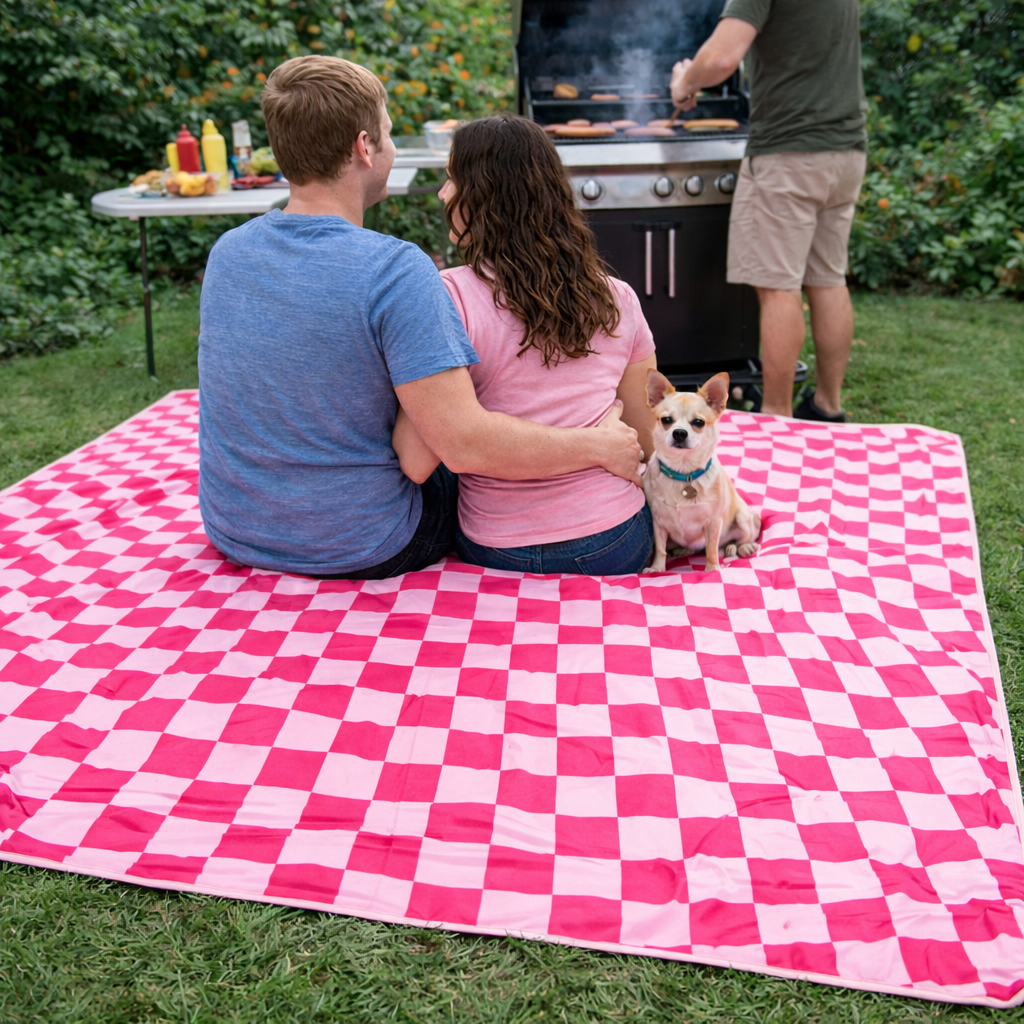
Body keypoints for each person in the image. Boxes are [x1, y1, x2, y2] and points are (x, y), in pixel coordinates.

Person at [197, 56, 642, 579]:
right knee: (452, 469)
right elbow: (462, 443)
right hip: (363, 541)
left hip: (236, 526)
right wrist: (597, 444)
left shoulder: (227, 252)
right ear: (364, 148)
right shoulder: (395, 268)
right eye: (387, 134)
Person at [391, 116, 657, 575]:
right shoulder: (619, 298)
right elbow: (649, 439)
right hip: (615, 539)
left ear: (485, 197)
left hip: (497, 546)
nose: (443, 194)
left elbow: (414, 457)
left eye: (453, 179)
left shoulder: (448, 296)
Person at [670, 0, 867, 421]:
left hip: (789, 152)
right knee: (828, 280)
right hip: (845, 148)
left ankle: (778, 414)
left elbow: (723, 56)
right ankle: (827, 407)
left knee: (778, 288)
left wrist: (684, 82)